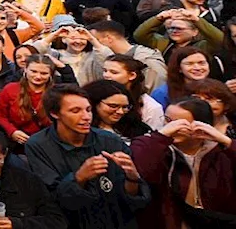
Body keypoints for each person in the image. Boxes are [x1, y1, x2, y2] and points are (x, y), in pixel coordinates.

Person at [25, 85, 149, 229]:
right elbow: (52, 200)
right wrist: (79, 178)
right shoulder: (38, 145)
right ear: (54, 113)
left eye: (88, 110)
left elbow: (132, 201)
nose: (86, 117)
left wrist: (132, 177)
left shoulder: (110, 140)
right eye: (75, 111)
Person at [131, 98, 236, 228]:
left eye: (181, 123)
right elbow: (139, 168)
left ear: (202, 125)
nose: (172, 127)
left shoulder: (220, 151)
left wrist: (226, 141)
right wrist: (161, 135)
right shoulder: (154, 146)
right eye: (168, 120)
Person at [0, 55, 56, 148]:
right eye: (33, 71)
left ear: (50, 74)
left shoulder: (57, 94)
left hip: (47, 144)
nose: (38, 76)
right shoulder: (10, 89)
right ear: (25, 69)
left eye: (44, 73)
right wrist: (12, 131)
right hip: (14, 143)